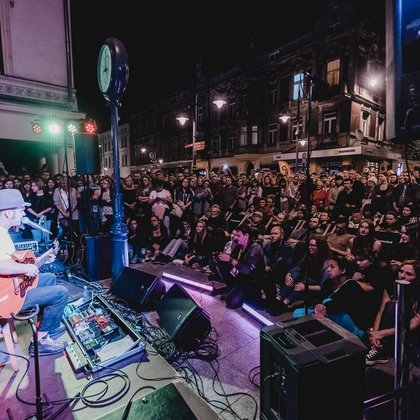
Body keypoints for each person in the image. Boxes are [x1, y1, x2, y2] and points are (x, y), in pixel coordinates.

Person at [0, 189, 68, 356]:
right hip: (5, 298)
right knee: (61, 293)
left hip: (9, 288)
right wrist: (26, 268)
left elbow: (11, 261)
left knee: (49, 278)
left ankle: (45, 327)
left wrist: (42, 259)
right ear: (8, 213)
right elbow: (2, 266)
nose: (24, 213)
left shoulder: (4, 232)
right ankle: (40, 342)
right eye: (21, 210)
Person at [366, 260, 420, 365]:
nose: (402, 276)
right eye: (401, 271)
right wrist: (375, 335)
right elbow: (381, 311)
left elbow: (413, 325)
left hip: (411, 334)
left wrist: (381, 334)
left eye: (409, 274)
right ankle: (379, 349)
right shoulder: (392, 286)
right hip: (393, 328)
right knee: (390, 306)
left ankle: (384, 349)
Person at [209, 225, 264, 309]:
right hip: (240, 276)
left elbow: (247, 270)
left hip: (251, 280)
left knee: (230, 302)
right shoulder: (239, 246)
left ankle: (244, 295)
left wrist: (230, 259)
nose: (236, 238)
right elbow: (232, 262)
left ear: (246, 235)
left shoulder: (255, 247)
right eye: (235, 235)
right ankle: (232, 288)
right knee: (216, 262)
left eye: (238, 236)